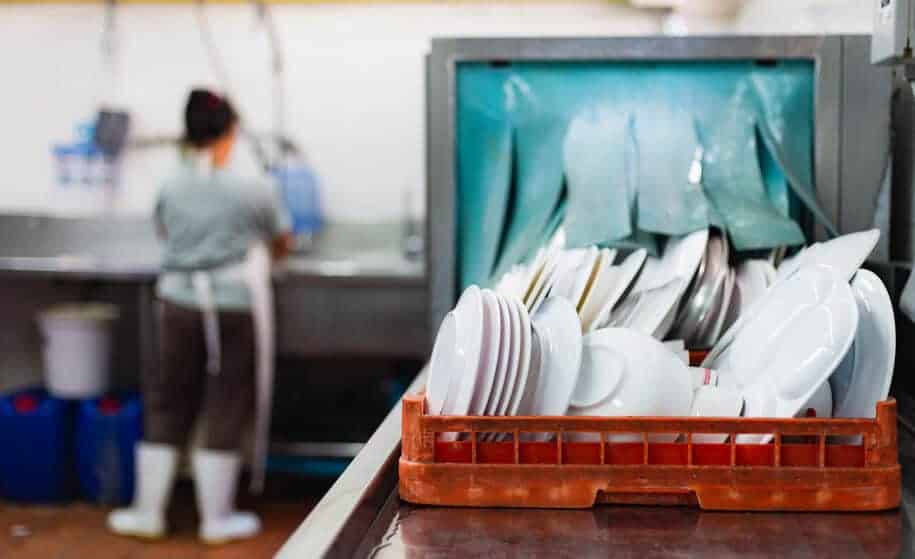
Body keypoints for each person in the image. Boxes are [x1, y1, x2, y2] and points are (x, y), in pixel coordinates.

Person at [108, 89, 291, 544]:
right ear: (230, 131)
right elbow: (282, 240)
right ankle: (217, 518)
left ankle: (148, 512)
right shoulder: (254, 187)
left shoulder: (171, 184)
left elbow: (164, 231)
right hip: (234, 307)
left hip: (177, 304)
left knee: (168, 400)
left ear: (187, 135)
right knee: (225, 403)